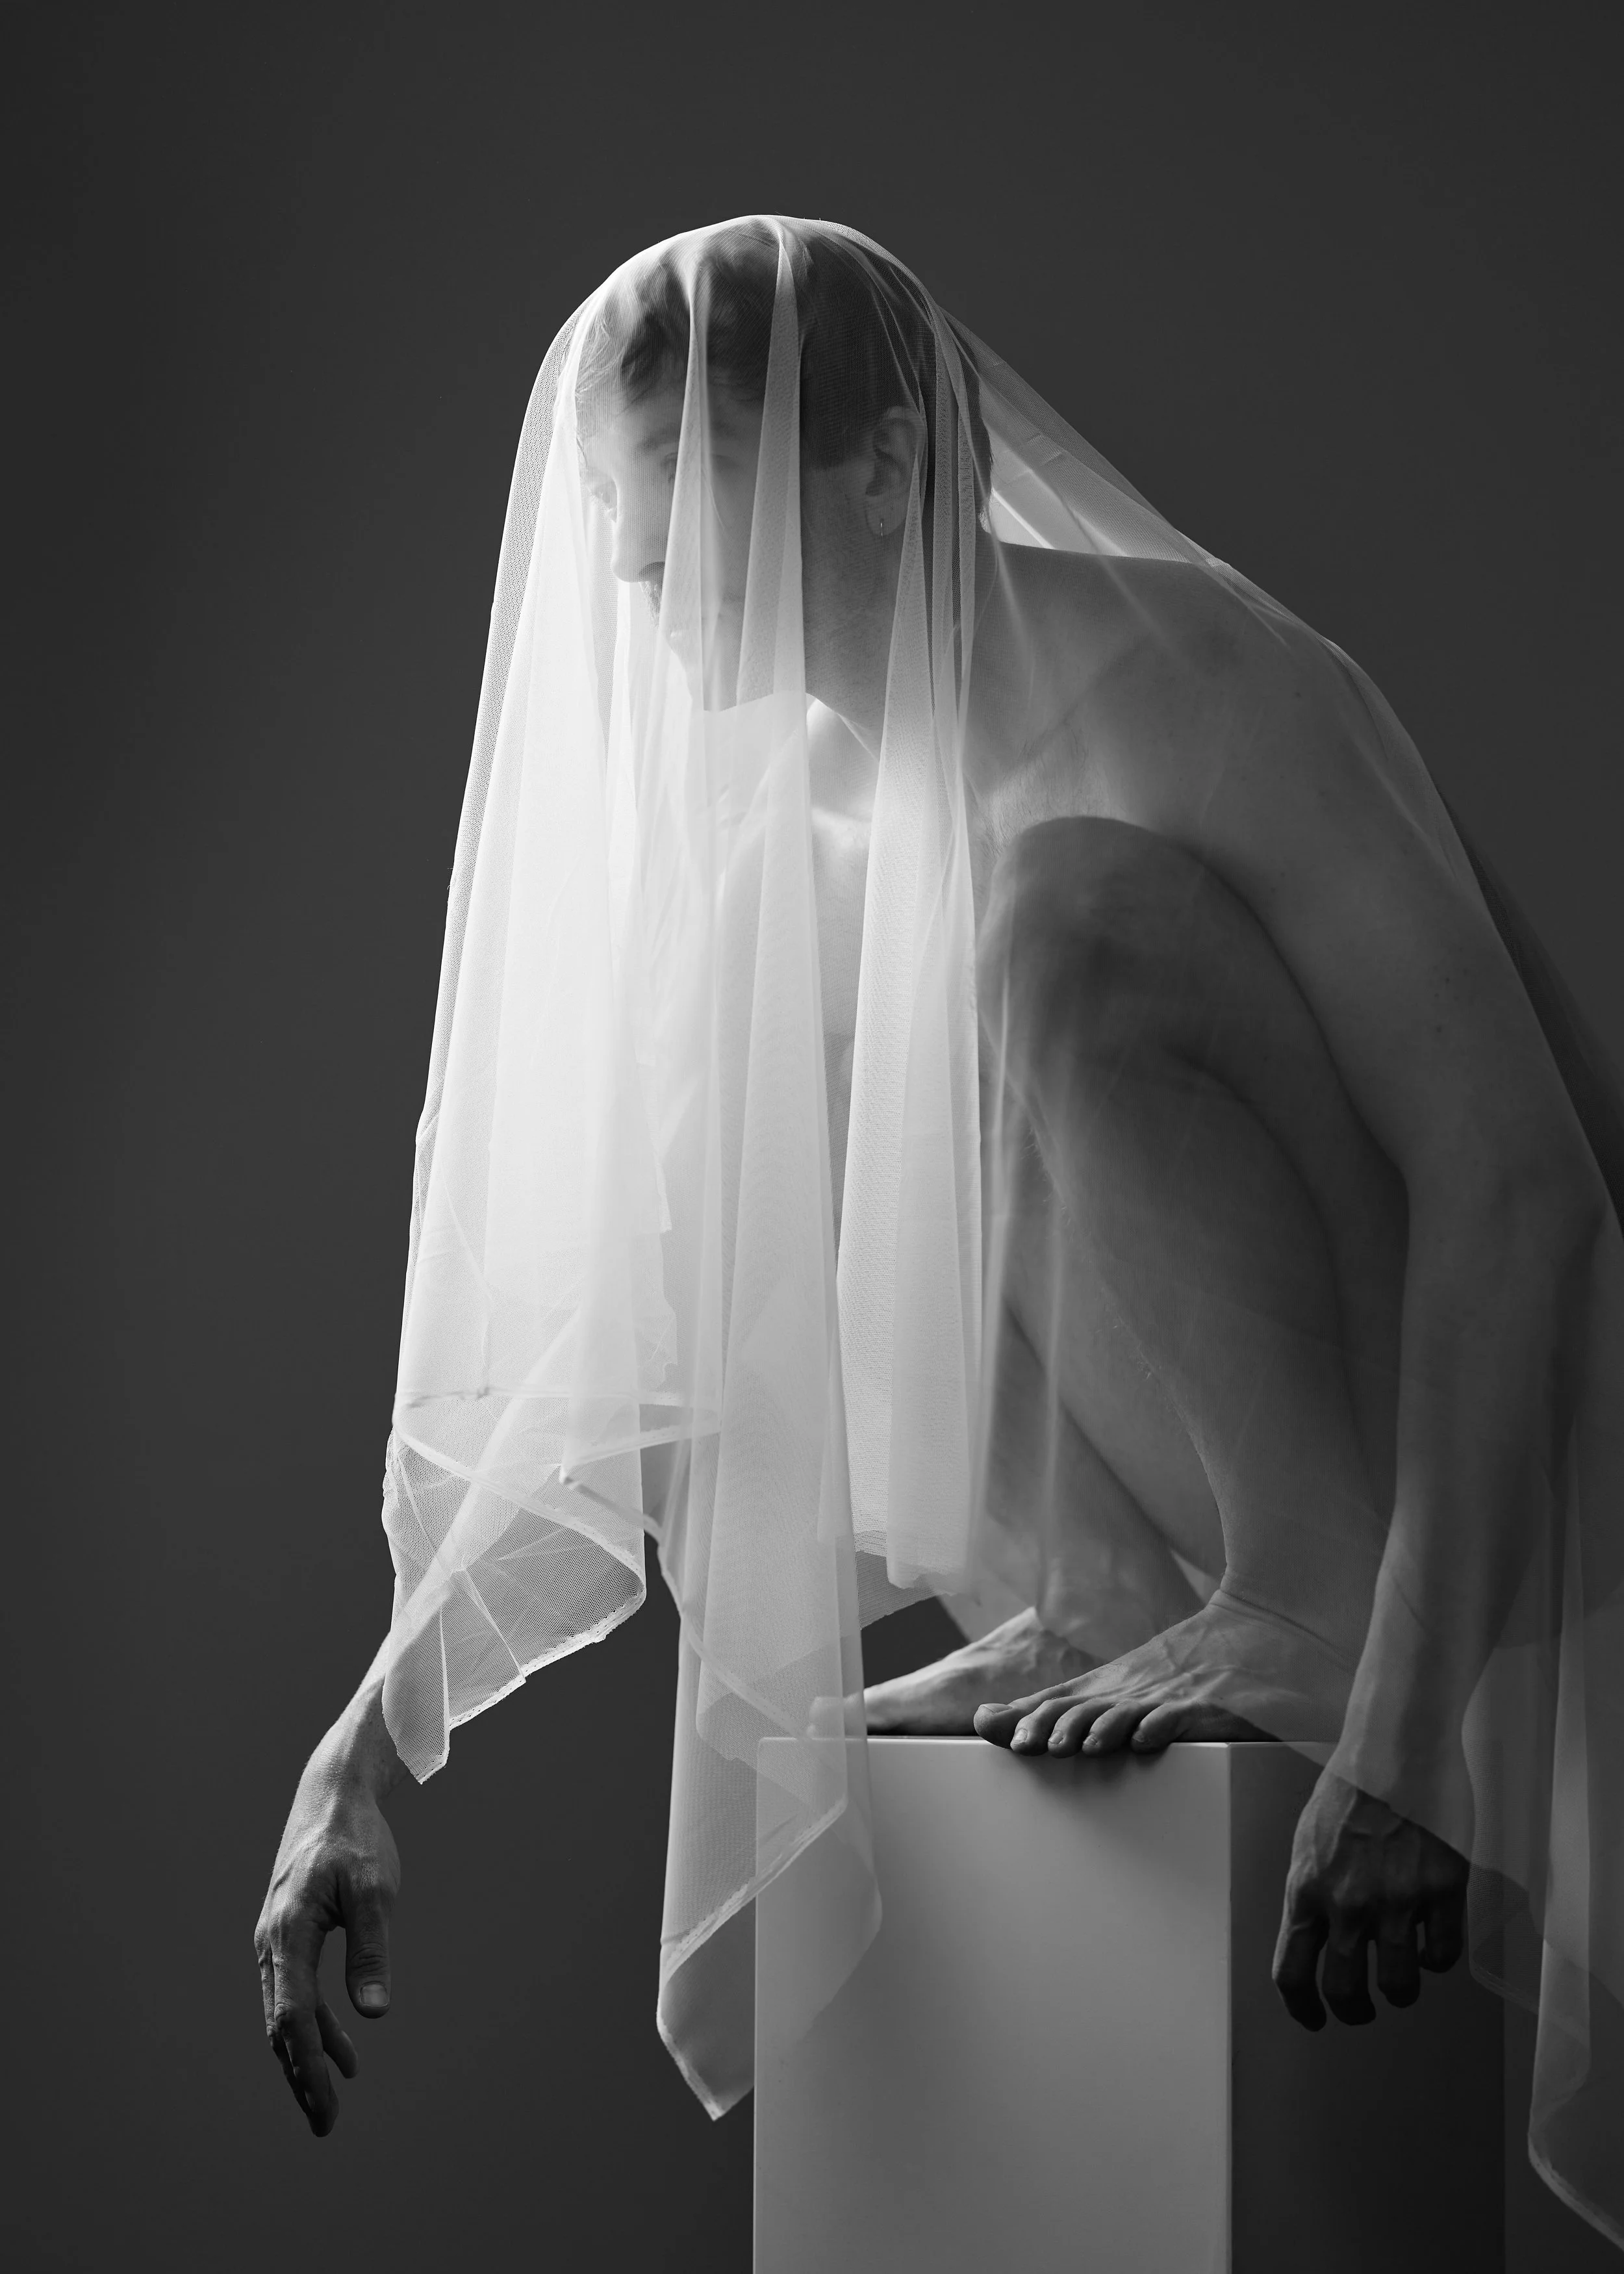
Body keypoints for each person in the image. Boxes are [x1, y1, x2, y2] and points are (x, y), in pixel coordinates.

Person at [256, 217, 1624, 2248]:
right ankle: (1082, 1584)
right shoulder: (788, 828)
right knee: (783, 1047)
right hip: (1197, 1459)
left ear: (883, 471)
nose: (632, 578)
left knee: (1046, 915)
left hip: (1482, 1468)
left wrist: (1412, 1734)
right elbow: (633, 1327)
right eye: (621, 524)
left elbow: (1522, 1185)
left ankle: (1297, 1584)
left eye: (681, 511)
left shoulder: (1205, 691)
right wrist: (354, 1747)